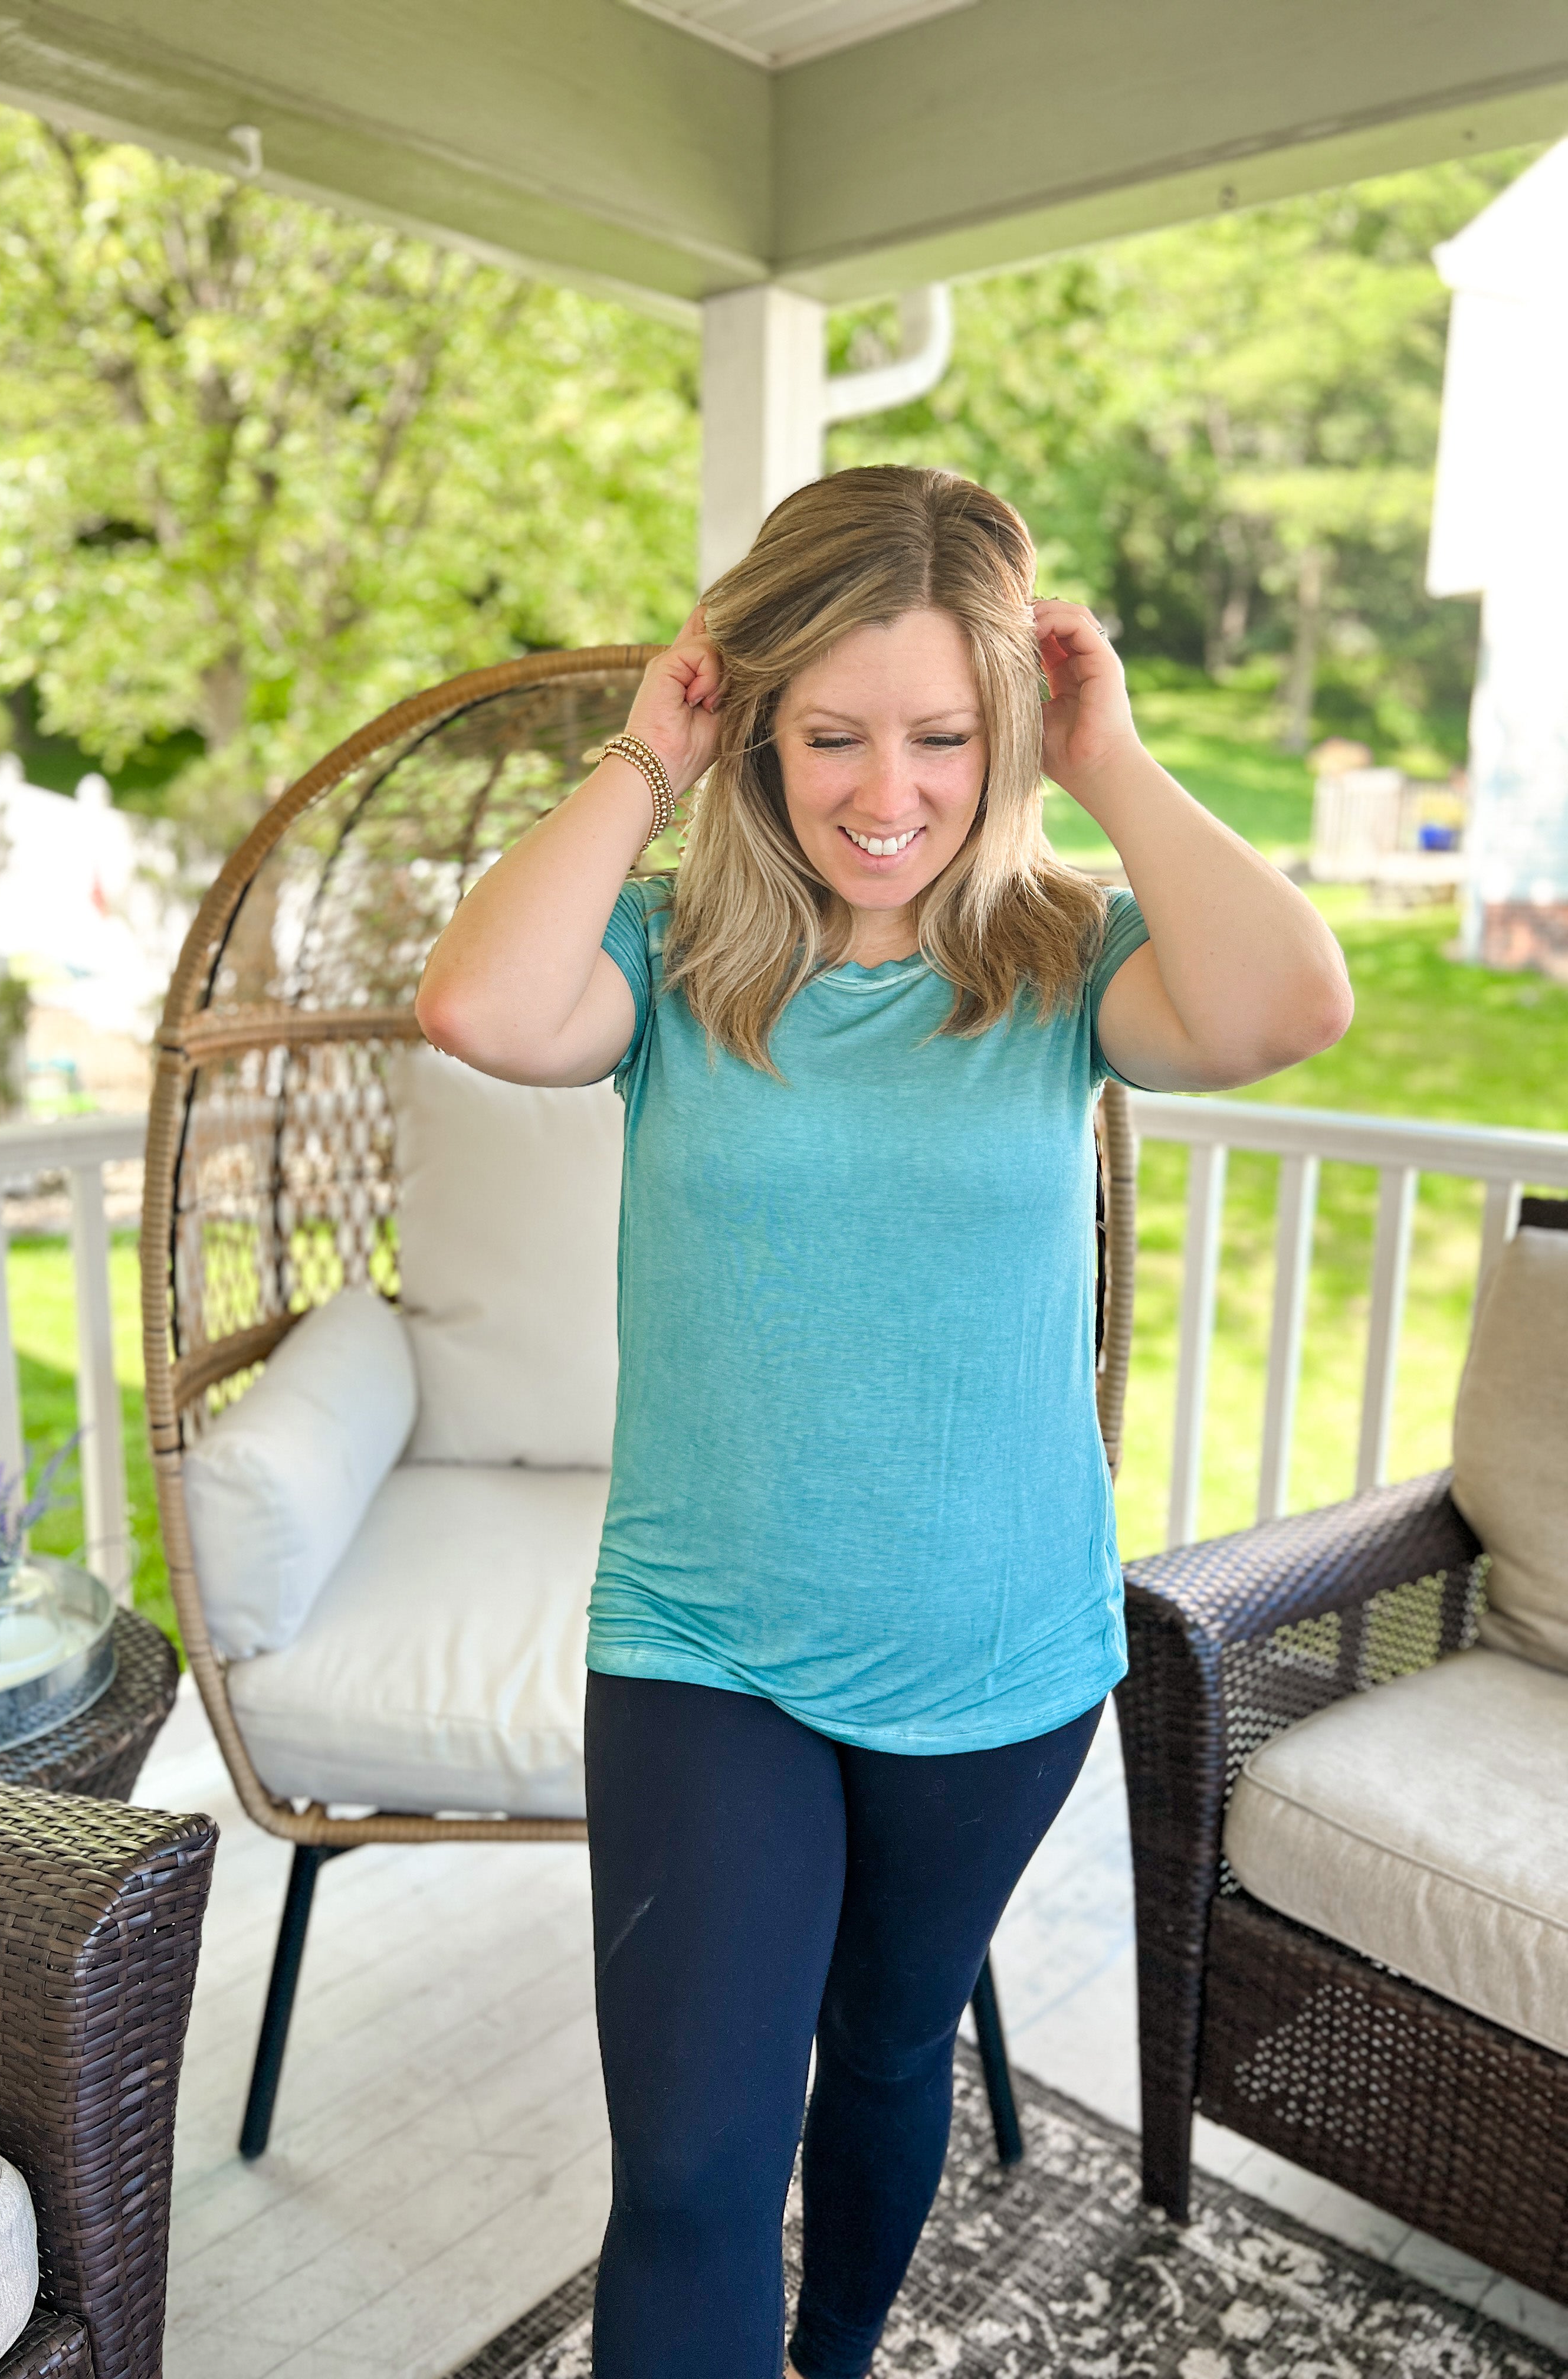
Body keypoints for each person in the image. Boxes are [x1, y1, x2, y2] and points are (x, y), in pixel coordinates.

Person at [415, 466, 1350, 2379]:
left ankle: (835, 2356)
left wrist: (1115, 758)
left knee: (895, 2049)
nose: (885, 791)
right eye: (831, 733)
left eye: (942, 734)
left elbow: (1286, 1006)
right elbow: (482, 1011)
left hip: (996, 1657)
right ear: (756, 721)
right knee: (684, 2172)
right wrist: (637, 758)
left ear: (1005, 732)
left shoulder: (1063, 963)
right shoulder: (672, 958)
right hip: (703, 1647)